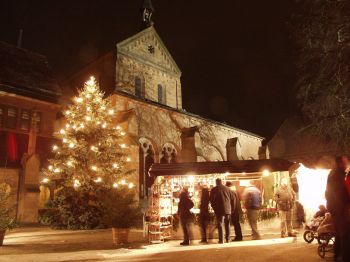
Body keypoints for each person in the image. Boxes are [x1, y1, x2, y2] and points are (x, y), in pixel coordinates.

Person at [325, 156, 350, 261]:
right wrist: (345, 206)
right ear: (340, 163)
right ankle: (346, 257)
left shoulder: (334, 173)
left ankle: (337, 255)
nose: (347, 163)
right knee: (345, 233)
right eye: (345, 162)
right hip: (339, 208)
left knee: (339, 233)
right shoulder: (338, 175)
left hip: (335, 207)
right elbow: (340, 194)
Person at [210, 178, 234, 243]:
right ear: (222, 182)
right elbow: (233, 199)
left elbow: (211, 200)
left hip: (219, 209)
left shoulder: (214, 189)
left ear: (216, 182)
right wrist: (232, 208)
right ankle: (228, 239)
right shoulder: (228, 189)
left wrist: (214, 208)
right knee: (227, 224)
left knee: (220, 224)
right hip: (227, 209)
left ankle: (221, 240)